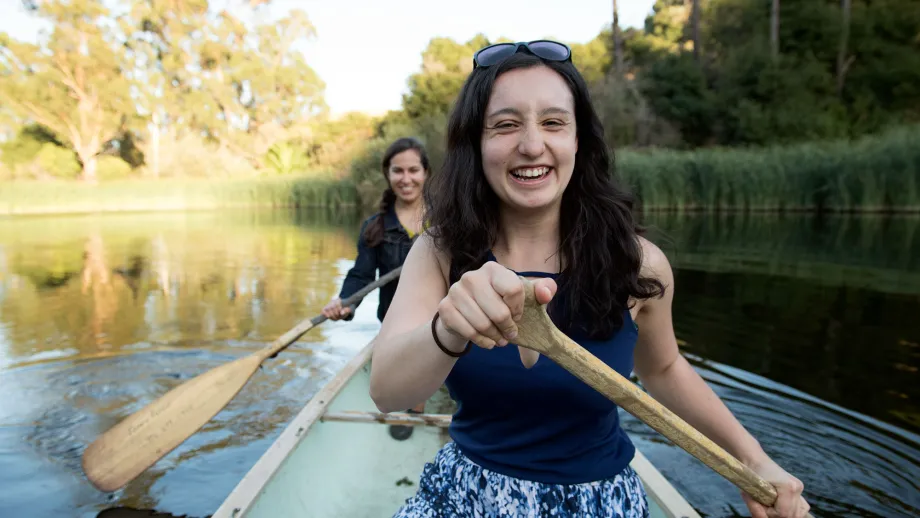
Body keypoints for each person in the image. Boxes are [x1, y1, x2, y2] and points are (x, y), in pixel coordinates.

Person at [369, 40, 811, 518]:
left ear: (579, 139)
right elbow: (388, 393)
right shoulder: (438, 252)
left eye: (554, 122)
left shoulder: (639, 264)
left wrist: (754, 458)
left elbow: (663, 370)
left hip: (597, 501)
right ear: (476, 142)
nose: (532, 144)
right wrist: (448, 328)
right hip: (463, 494)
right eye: (505, 124)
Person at [322, 136, 430, 439]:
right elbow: (361, 275)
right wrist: (344, 302)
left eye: (413, 170)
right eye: (398, 171)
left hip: (440, 319)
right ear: (388, 174)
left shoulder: (446, 221)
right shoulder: (375, 226)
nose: (406, 179)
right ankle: (412, 404)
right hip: (395, 322)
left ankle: (419, 404)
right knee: (407, 359)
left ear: (425, 173)